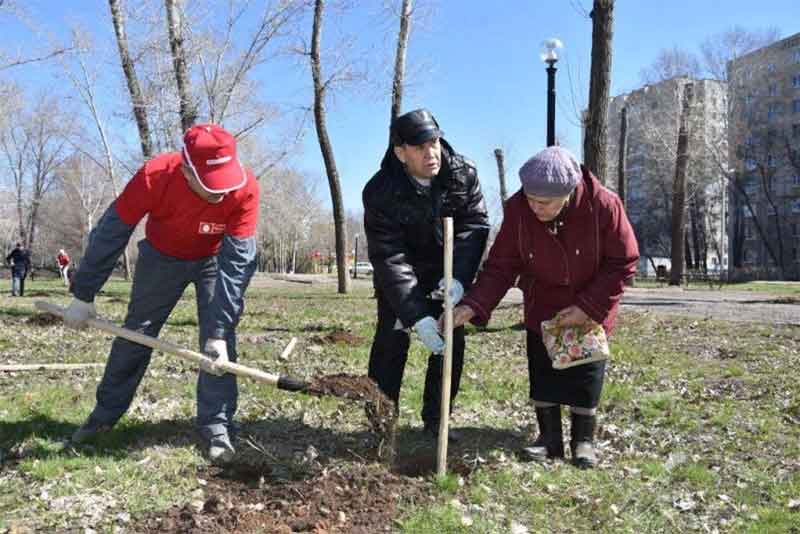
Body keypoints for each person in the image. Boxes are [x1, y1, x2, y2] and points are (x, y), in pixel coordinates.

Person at [63, 124, 260, 464]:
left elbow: (238, 265)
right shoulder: (155, 175)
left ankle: (216, 426)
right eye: (212, 185)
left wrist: (217, 329)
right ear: (186, 170)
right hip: (161, 257)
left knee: (220, 344)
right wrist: (84, 294)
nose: (221, 194)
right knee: (136, 334)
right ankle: (104, 417)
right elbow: (111, 232)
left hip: (214, 259)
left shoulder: (244, 189)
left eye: (225, 183)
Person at [451, 146, 639, 468]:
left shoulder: (604, 205)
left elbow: (623, 261)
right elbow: (501, 266)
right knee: (543, 370)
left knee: (585, 372)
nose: (535, 207)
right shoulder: (518, 210)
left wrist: (588, 307)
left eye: (545, 202)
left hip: (590, 301)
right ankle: (549, 440)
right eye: (530, 199)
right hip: (543, 303)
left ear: (568, 192)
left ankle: (583, 441)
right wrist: (474, 304)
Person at [362, 108, 489, 438]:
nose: (431, 153)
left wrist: (458, 278)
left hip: (447, 272)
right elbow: (389, 256)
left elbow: (474, 226)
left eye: (433, 142)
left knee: (451, 344)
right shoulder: (380, 191)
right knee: (391, 343)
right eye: (419, 147)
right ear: (400, 153)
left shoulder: (463, 174)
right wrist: (415, 315)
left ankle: (437, 420)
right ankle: (381, 420)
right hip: (400, 278)